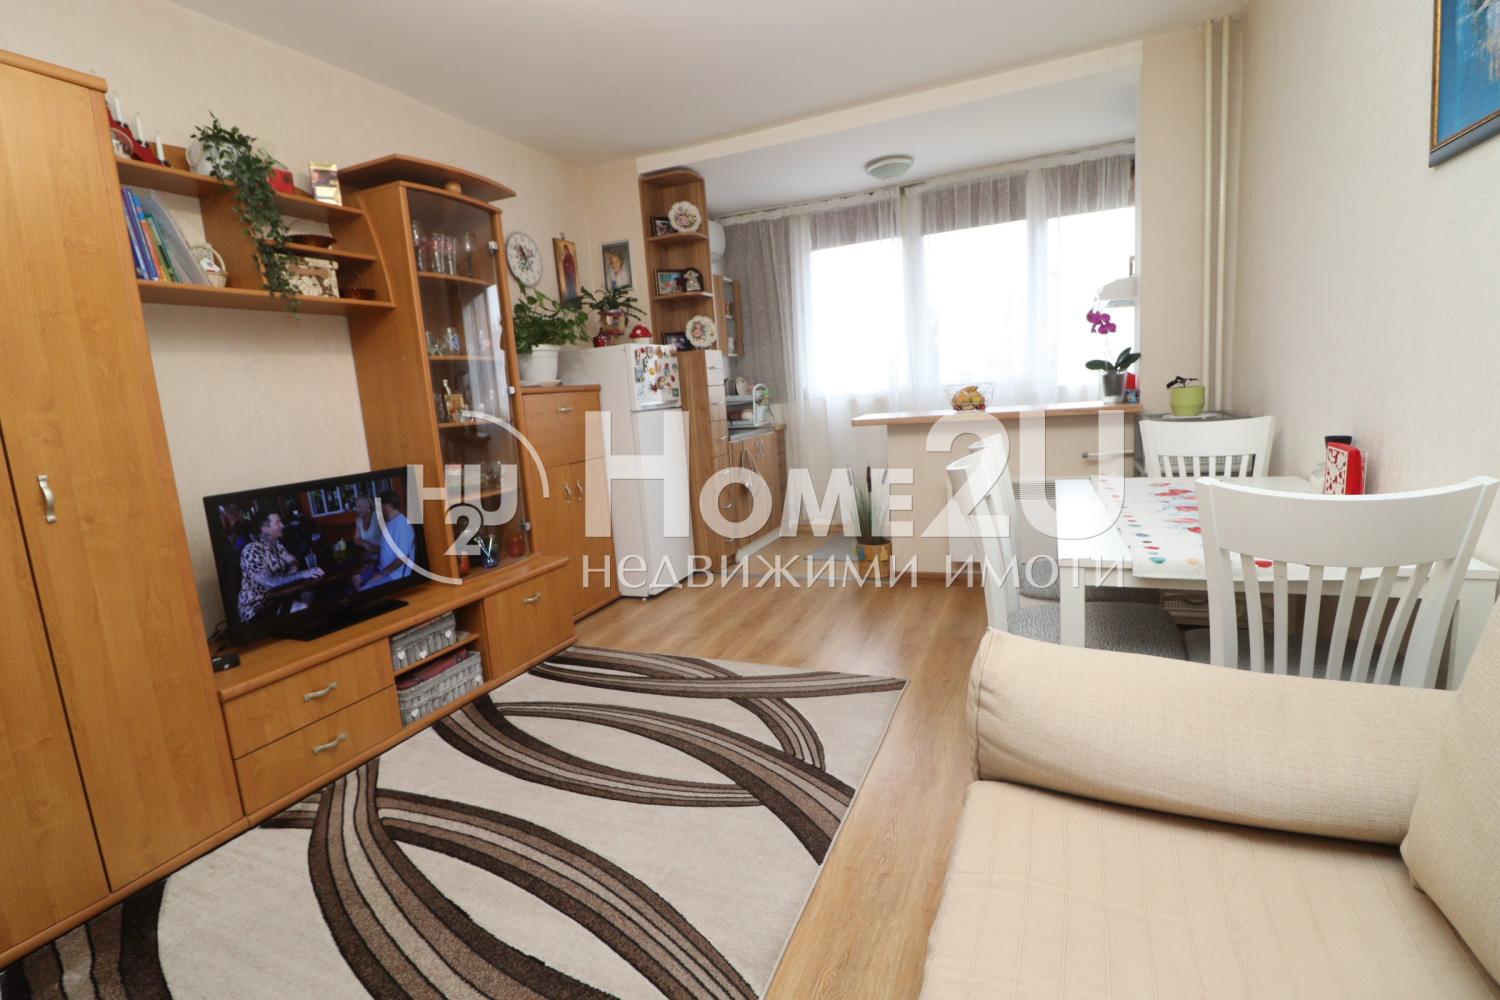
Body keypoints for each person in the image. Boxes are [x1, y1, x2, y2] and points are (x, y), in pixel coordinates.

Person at [237, 511, 324, 621]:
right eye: (278, 522)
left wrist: (293, 569)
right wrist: (303, 574)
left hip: (279, 597)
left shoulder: (277, 545)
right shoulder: (252, 550)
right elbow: (270, 582)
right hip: (257, 607)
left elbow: (293, 560)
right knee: (301, 606)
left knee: (310, 593)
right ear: (264, 529)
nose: (283, 525)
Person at [360, 490, 417, 589]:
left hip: (395, 576)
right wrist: (373, 562)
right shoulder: (390, 522)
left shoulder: (401, 524)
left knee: (363, 591)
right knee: (356, 580)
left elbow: (403, 558)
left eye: (379, 506)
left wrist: (381, 574)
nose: (378, 510)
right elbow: (384, 550)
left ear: (387, 505)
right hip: (382, 569)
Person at [351, 495, 382, 559]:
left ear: (368, 506)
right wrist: (364, 543)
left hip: (382, 557)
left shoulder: (377, 516)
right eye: (356, 507)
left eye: (360, 507)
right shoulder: (359, 520)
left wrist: (372, 549)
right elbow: (356, 539)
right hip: (369, 558)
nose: (357, 510)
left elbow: (388, 540)